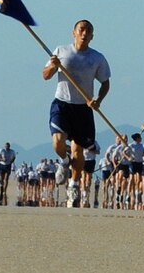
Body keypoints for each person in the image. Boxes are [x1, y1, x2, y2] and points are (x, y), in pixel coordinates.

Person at [43, 19, 110, 199]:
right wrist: (54, 66)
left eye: (88, 31)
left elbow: (105, 83)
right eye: (81, 29)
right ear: (74, 32)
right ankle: (64, 162)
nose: (84, 33)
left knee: (78, 151)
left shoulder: (97, 58)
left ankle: (73, 184)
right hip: (62, 104)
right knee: (58, 141)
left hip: (83, 108)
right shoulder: (61, 51)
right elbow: (45, 75)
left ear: (92, 36)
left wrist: (98, 100)